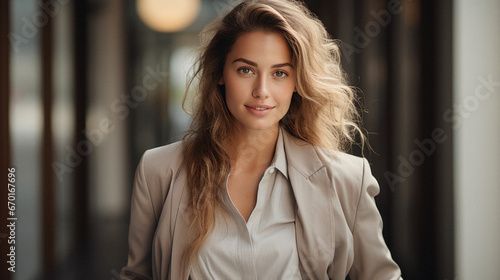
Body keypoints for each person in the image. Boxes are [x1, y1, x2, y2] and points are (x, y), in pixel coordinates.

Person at [120, 0, 402, 279]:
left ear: (297, 83)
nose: (262, 90)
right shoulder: (158, 170)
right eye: (246, 70)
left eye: (280, 73)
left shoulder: (346, 179)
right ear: (220, 74)